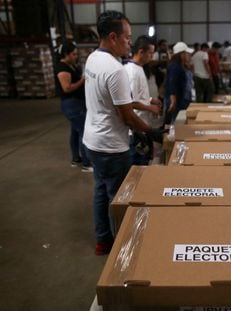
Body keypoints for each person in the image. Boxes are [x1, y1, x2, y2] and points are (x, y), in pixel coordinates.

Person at [83, 10, 152, 255]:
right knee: (119, 198)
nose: (130, 43)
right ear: (113, 37)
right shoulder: (115, 70)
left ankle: (103, 241)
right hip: (111, 146)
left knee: (101, 191)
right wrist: (151, 132)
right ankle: (123, 251)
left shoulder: (92, 58)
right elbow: (127, 115)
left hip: (92, 140)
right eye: (127, 37)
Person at [124, 35, 162, 165]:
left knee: (145, 159)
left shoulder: (138, 68)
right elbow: (131, 102)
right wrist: (150, 108)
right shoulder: (133, 72)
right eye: (150, 53)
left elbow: (137, 95)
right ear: (141, 52)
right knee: (139, 165)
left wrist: (151, 100)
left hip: (143, 124)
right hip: (136, 128)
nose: (152, 56)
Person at [55, 41, 93, 172]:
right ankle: (87, 164)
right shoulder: (62, 68)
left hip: (76, 103)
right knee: (84, 132)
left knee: (75, 132)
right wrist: (82, 80)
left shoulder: (70, 66)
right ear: (66, 54)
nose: (76, 56)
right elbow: (66, 88)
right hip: (72, 104)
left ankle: (76, 158)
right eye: (73, 54)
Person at [164, 42, 194, 124]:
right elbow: (172, 82)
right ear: (181, 54)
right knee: (176, 121)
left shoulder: (181, 66)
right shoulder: (175, 67)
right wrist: (173, 100)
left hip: (182, 99)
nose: (189, 56)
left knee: (181, 120)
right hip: (176, 101)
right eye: (187, 54)